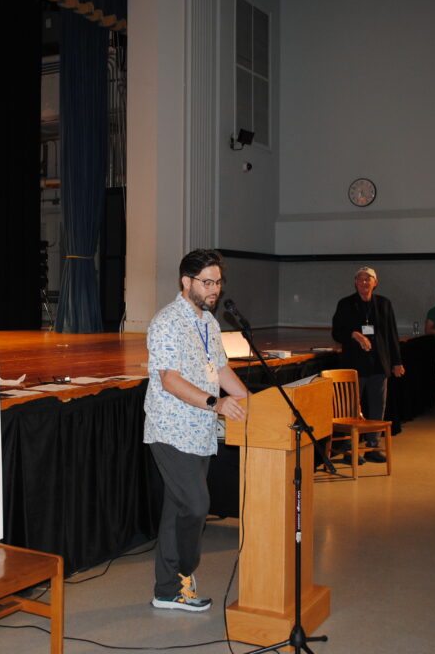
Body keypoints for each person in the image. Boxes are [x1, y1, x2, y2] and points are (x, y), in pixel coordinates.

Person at [144, 249, 249, 612]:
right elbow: (169, 380)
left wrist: (252, 401)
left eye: (218, 282)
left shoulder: (209, 322)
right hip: (171, 430)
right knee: (196, 504)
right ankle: (184, 573)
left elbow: (220, 369)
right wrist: (215, 403)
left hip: (199, 432)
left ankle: (166, 589)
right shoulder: (166, 322)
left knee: (177, 509)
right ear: (185, 282)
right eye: (207, 281)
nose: (214, 289)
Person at [331, 266, 405, 463]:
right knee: (351, 408)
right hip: (354, 365)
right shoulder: (346, 304)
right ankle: (348, 450)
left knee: (377, 407)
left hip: (379, 364)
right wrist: (354, 334)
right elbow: (336, 332)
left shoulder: (384, 304)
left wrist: (397, 361)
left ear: (375, 282)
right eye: (360, 279)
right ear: (355, 283)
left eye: (368, 279)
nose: (364, 282)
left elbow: (391, 334)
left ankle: (372, 447)